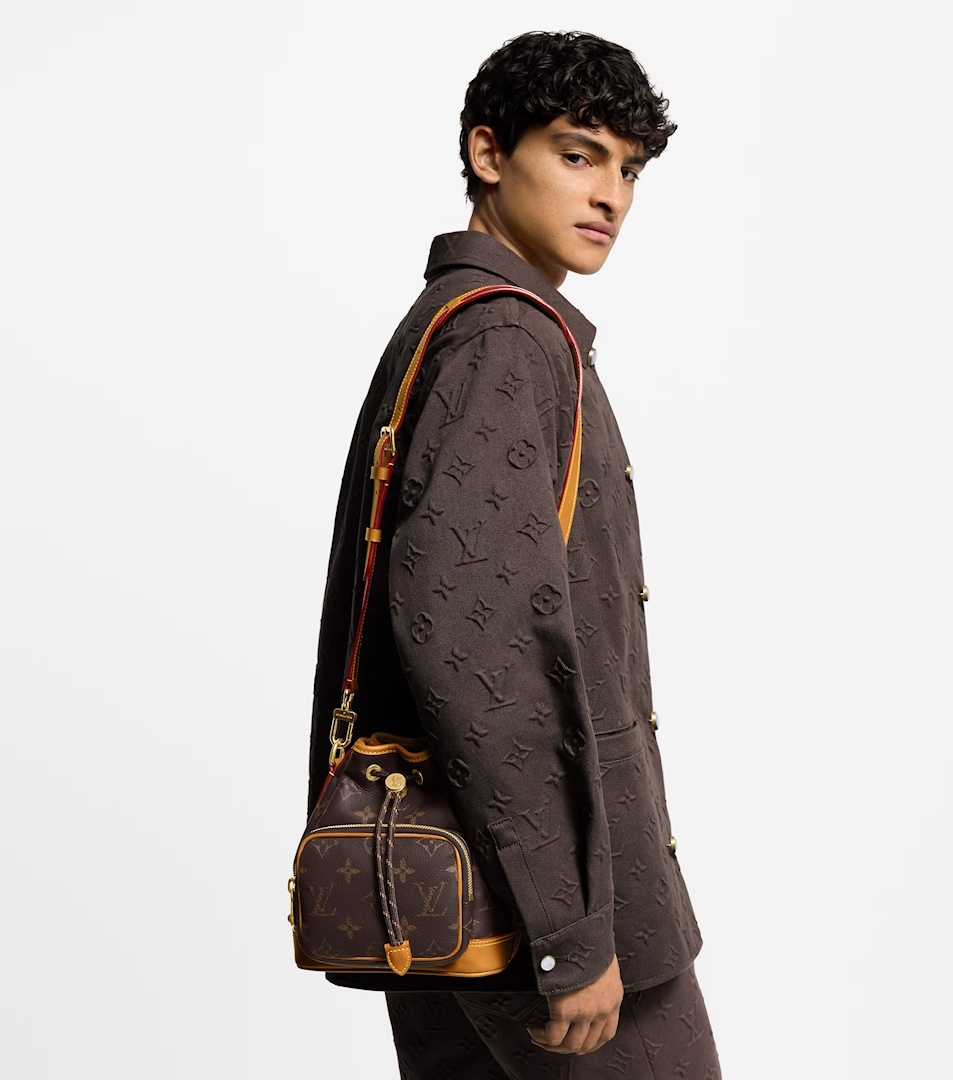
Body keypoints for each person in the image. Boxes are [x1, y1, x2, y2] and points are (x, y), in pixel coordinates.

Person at [306, 29, 722, 1078]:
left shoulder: (453, 323)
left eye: (630, 169)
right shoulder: (504, 339)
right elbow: (481, 649)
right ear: (489, 154)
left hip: (455, 897)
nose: (611, 195)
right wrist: (569, 934)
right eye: (579, 155)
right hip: (539, 916)